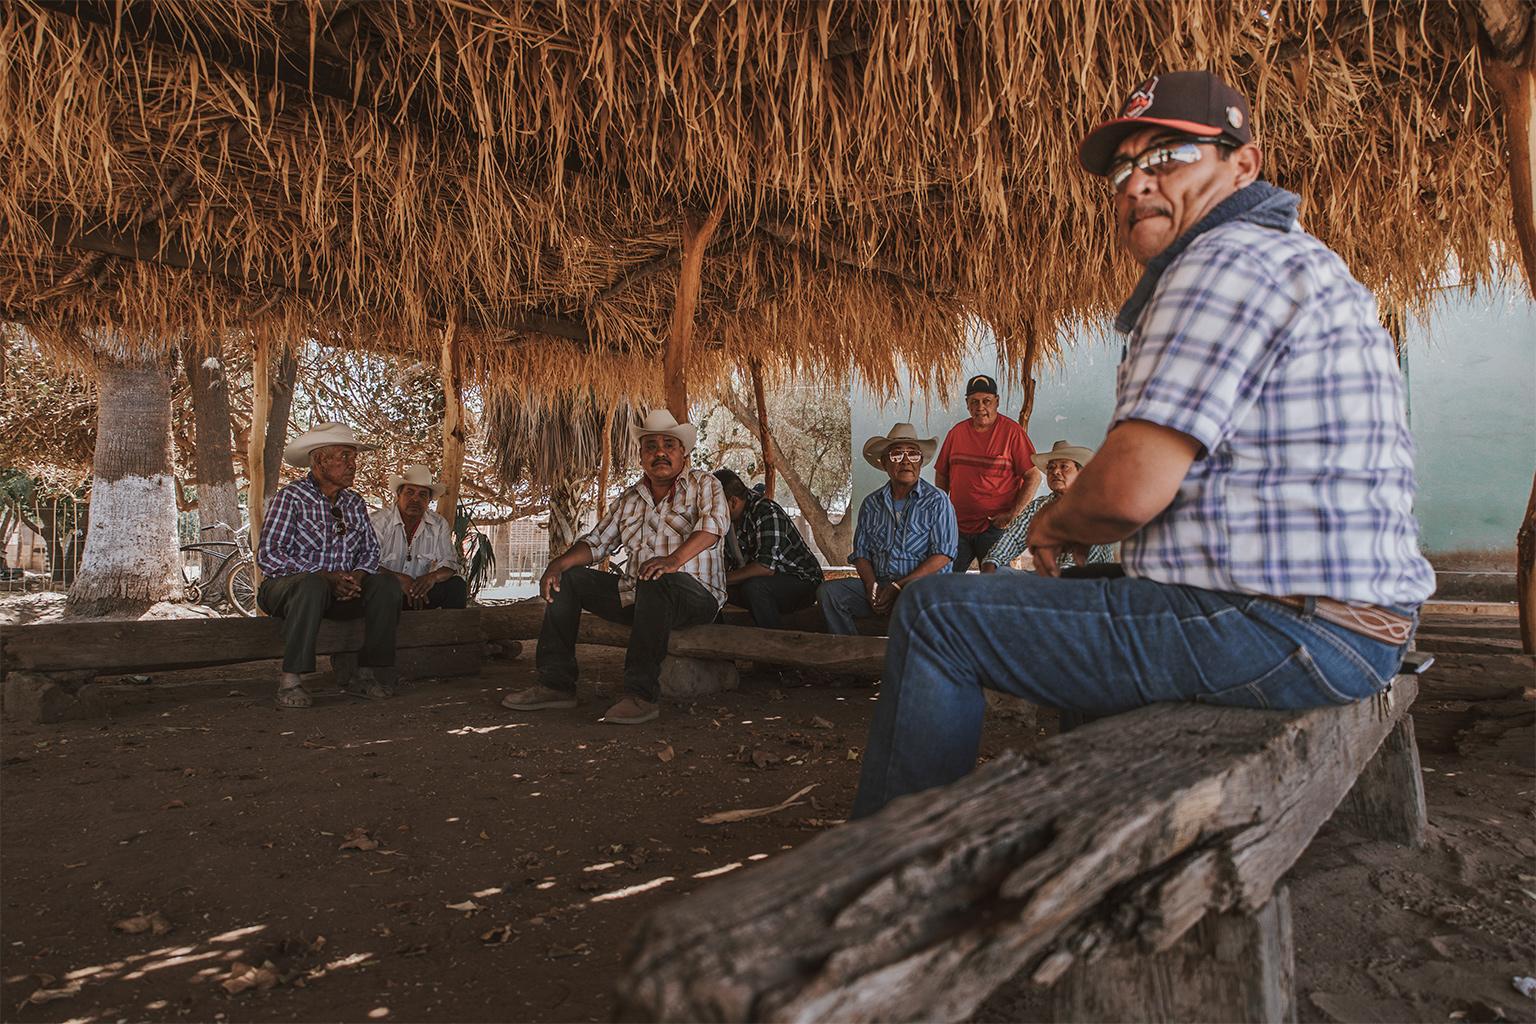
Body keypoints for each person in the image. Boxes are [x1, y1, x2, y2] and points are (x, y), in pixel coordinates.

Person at [852, 69, 1435, 818]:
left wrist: (1050, 527)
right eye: (1125, 169)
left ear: (1242, 163)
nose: (1136, 183)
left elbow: (1127, 492)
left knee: (937, 613)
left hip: (1286, 629)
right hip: (1353, 626)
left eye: (1168, 157)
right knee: (1089, 595)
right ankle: (1096, 811)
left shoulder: (1217, 261)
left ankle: (895, 869)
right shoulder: (1299, 263)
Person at [501, 410, 729, 725]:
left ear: (683, 452)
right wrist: (558, 563)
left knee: (656, 576)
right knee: (569, 579)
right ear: (641, 456)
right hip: (638, 594)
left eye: (669, 444)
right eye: (651, 445)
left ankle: (641, 695)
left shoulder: (704, 484)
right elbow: (596, 543)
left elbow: (713, 528)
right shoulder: (630, 499)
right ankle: (555, 685)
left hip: (695, 595)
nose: (659, 452)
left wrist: (673, 561)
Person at [256, 422, 402, 710]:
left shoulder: (355, 502)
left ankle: (365, 672)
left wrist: (358, 576)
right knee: (311, 585)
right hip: (291, 591)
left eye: (354, 458)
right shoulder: (292, 497)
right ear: (319, 460)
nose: (353, 465)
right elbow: (269, 555)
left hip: (341, 590)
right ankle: (290, 680)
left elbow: (371, 551)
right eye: (344, 457)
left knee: (385, 585)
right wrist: (324, 576)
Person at [818, 423, 957, 636]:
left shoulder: (937, 501)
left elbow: (943, 555)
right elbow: (862, 553)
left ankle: (909, 661)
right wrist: (872, 587)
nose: (905, 462)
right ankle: (851, 656)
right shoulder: (871, 504)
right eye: (896, 455)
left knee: (915, 597)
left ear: (921, 462)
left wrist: (898, 586)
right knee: (829, 593)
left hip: (919, 589)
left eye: (912, 454)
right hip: (881, 587)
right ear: (884, 463)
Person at [933, 374, 1042, 571]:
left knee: (994, 584)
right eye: (974, 402)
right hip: (957, 527)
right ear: (967, 404)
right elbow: (942, 473)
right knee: (947, 581)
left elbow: (1033, 476)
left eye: (986, 401)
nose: (980, 407)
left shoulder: (1012, 433)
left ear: (997, 402)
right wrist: (943, 511)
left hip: (994, 528)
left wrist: (1012, 515)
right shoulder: (956, 433)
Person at [713, 468, 824, 629]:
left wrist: (722, 579)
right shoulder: (726, 521)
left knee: (755, 588)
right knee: (708, 590)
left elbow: (765, 567)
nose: (712, 510)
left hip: (801, 582)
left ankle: (775, 640)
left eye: (715, 505)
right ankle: (719, 639)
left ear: (733, 502)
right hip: (756, 582)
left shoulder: (766, 511)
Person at [981, 440, 1113, 573]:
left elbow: (1075, 567)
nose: (1055, 471)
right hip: (1049, 578)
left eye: (1064, 467)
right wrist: (992, 562)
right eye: (1051, 467)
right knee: (1001, 573)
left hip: (1085, 582)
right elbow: (1013, 538)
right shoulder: (1040, 505)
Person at [370, 465, 468, 610]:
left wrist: (431, 578)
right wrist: (399, 579)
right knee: (381, 586)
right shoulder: (379, 522)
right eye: (410, 492)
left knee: (456, 585)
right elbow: (366, 565)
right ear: (398, 495)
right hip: (384, 594)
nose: (415, 499)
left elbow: (450, 564)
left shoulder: (438, 524)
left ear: (429, 500)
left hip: (420, 592)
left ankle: (451, 632)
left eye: (422, 495)